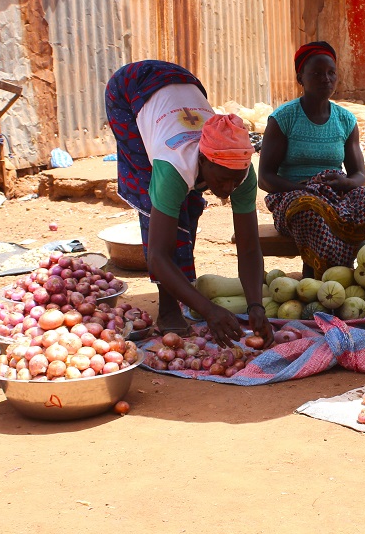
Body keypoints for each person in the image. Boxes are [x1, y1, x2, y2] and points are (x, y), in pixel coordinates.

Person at [106, 60, 272, 347]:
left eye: (235, 181)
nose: (227, 189)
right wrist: (209, 310)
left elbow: (248, 246)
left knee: (191, 204)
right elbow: (157, 255)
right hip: (130, 89)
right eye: (222, 180)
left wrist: (255, 305)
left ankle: (180, 295)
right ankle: (169, 307)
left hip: (184, 83)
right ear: (204, 160)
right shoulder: (174, 163)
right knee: (156, 200)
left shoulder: (241, 170)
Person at [258, 41, 365, 276]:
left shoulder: (345, 120)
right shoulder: (283, 118)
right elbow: (265, 178)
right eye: (316, 73)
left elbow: (359, 174)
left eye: (331, 73)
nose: (325, 79)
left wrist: (346, 183)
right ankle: (323, 277)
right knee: (310, 210)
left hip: (338, 197)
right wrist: (304, 189)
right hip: (294, 199)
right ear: (300, 78)